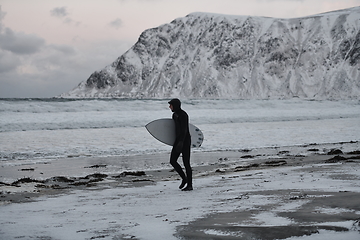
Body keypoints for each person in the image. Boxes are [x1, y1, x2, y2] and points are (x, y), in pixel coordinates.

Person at [168, 98, 193, 191]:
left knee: (186, 163)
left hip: (185, 141)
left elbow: (184, 130)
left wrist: (181, 142)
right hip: (178, 140)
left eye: (171, 105)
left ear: (175, 105)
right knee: (172, 161)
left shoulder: (183, 115)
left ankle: (190, 185)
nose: (169, 107)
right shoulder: (174, 115)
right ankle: (184, 178)